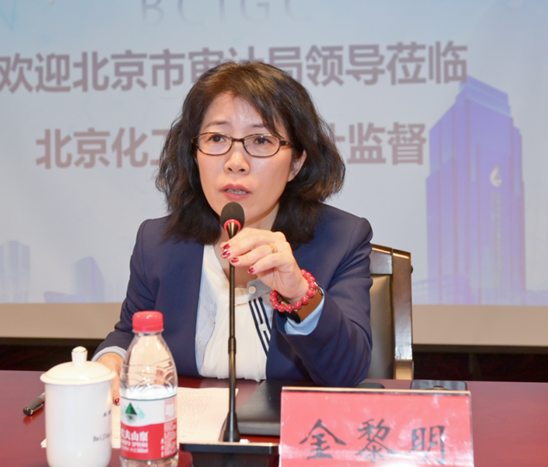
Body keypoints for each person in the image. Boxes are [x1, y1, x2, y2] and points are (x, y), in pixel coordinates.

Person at [94, 61, 373, 401]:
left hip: (284, 429)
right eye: (216, 138)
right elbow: (129, 334)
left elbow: (347, 373)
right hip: (185, 428)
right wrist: (112, 359)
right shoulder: (158, 242)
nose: (235, 162)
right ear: (194, 153)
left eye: (261, 140)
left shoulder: (341, 239)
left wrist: (299, 292)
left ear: (296, 163)